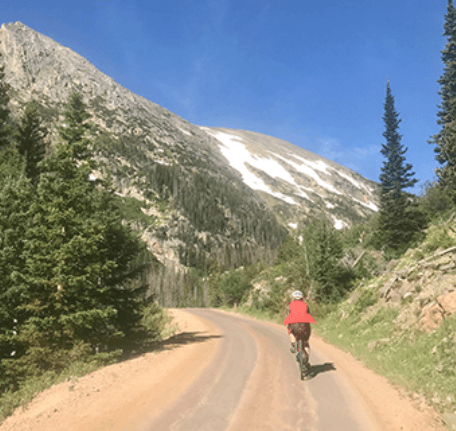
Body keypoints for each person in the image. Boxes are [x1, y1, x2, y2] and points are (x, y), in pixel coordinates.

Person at [283, 290, 316, 367]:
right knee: (306, 343)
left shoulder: (290, 305)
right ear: (302, 298)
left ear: (294, 298)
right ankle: (306, 361)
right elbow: (308, 314)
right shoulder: (305, 305)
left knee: (290, 330)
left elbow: (288, 314)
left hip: (294, 326)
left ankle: (293, 344)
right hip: (304, 327)